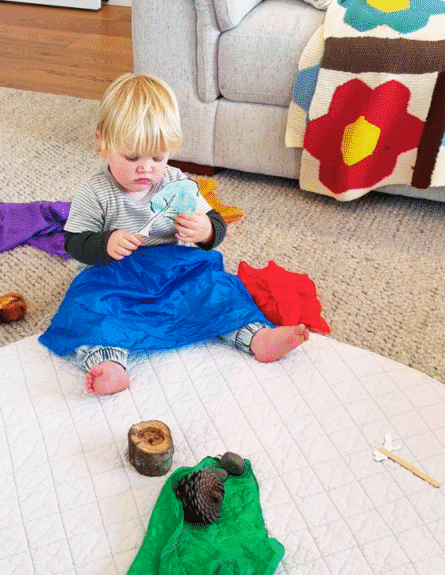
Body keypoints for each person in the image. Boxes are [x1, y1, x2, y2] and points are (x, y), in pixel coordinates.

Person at [39, 73, 309, 395]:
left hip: (175, 273)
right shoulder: (95, 192)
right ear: (103, 144)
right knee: (90, 306)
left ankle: (257, 336)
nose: (146, 168)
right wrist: (105, 243)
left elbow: (215, 224)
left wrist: (205, 229)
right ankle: (109, 363)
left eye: (157, 157)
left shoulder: (175, 184)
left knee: (219, 288)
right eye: (131, 157)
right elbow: (74, 242)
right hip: (113, 278)